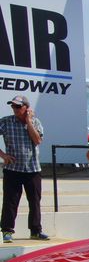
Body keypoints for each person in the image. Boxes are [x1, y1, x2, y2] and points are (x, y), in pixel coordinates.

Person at [0, 95, 49, 243]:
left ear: (26, 108)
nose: (14, 109)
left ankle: (35, 231)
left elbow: (37, 140)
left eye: (18, 106)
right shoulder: (6, 122)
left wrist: (28, 121)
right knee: (10, 201)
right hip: (13, 169)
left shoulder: (35, 122)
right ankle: (7, 231)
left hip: (32, 169)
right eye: (13, 106)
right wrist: (3, 155)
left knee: (34, 201)